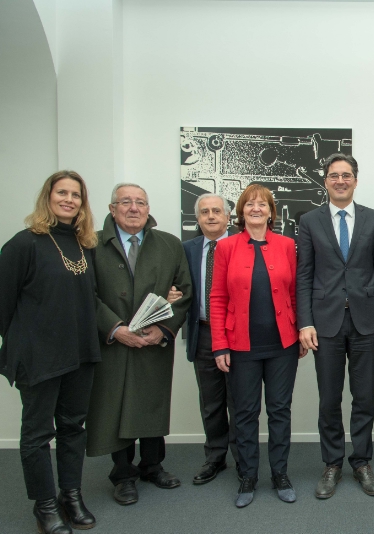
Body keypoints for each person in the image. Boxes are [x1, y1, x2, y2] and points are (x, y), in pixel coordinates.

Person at [0, 171, 101, 533]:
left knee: (73, 428)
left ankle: (70, 496)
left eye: (76, 194)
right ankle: (44, 505)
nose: (69, 199)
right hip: (39, 356)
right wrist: (21, 346)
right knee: (38, 433)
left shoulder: (85, 245)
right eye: (62, 192)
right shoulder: (23, 244)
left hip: (80, 354)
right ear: (48, 196)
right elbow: (3, 306)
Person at [85, 183, 192, 506]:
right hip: (113, 342)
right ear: (112, 208)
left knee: (151, 402)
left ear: (148, 208)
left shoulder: (169, 244)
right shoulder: (91, 245)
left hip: (153, 341)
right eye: (126, 202)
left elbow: (184, 291)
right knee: (115, 405)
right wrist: (115, 329)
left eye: (141, 202)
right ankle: (122, 475)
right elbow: (86, 294)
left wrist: (164, 329)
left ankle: (152, 466)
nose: (134, 208)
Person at [297, 153, 374, 499]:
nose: (340, 181)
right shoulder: (309, 221)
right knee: (329, 399)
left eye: (346, 175)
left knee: (364, 398)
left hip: (367, 322)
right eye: (334, 175)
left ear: (355, 180)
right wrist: (305, 322)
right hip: (325, 324)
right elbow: (304, 275)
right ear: (325, 181)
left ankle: (362, 462)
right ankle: (332, 463)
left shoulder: (373, 219)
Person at [209, 184, 304, 507]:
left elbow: (294, 294)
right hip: (241, 346)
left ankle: (280, 474)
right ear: (241, 211)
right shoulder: (226, 247)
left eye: (262, 204)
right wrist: (220, 345)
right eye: (249, 204)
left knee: (279, 411)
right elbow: (217, 298)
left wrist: (299, 333)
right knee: (246, 413)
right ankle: (247, 476)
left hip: (282, 345)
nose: (256, 208)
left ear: (271, 212)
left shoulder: (287, 245)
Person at [181, 193, 239, 485]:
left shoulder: (242, 245)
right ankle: (215, 457)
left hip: (237, 332)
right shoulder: (186, 250)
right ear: (198, 218)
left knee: (239, 401)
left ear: (228, 216)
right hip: (203, 332)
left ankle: (243, 458)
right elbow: (179, 287)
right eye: (205, 212)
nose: (211, 216)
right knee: (211, 401)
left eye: (217, 211)